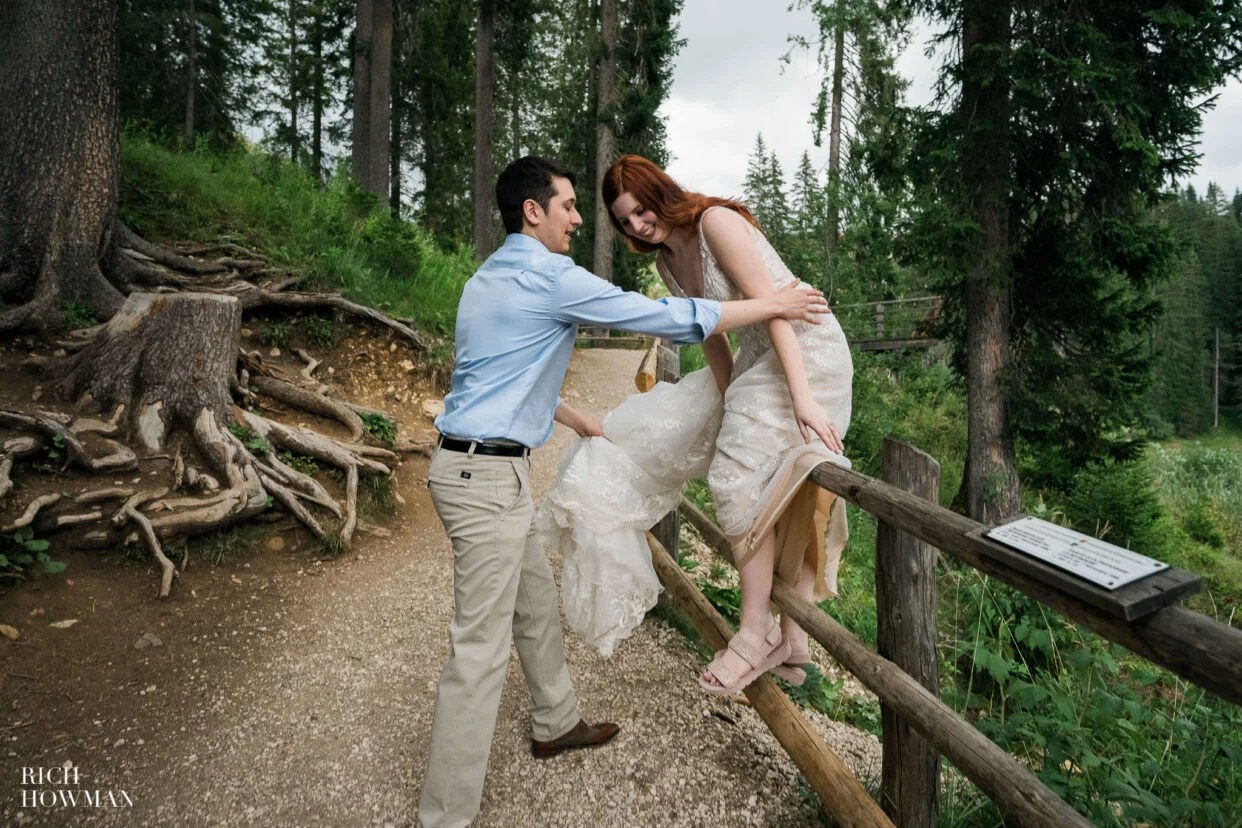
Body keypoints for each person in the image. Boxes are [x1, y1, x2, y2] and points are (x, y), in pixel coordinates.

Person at [417, 155, 831, 828]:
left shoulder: (486, 279)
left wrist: (577, 418)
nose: (579, 220)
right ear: (534, 211)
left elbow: (492, 376)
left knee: (532, 606)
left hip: (480, 469)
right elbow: (658, 316)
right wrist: (773, 303)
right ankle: (444, 818)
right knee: (477, 650)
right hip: (484, 478)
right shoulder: (547, 275)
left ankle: (555, 722)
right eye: (570, 206)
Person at [541, 154, 853, 695]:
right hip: (760, 363)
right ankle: (792, 634)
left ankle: (756, 631)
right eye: (624, 220)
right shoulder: (666, 262)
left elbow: (775, 309)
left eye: (641, 210)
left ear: (660, 192)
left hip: (806, 350)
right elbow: (712, 334)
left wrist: (802, 398)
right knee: (746, 462)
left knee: (732, 473)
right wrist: (732, 398)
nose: (638, 225)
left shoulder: (715, 224)